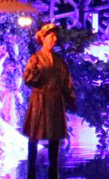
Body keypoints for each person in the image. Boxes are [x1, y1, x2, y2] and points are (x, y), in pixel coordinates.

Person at [22, 22, 74, 179]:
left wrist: (70, 98)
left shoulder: (59, 60)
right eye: (51, 36)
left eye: (55, 36)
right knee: (35, 134)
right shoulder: (35, 58)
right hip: (40, 99)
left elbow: (66, 81)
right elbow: (27, 79)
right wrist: (36, 74)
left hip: (55, 100)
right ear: (43, 38)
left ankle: (54, 169)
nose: (54, 39)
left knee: (55, 136)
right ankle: (31, 169)